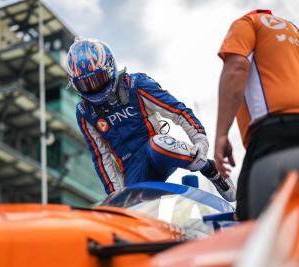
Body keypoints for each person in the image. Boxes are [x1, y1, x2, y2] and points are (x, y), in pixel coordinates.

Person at [66, 37, 236, 202]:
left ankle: (210, 169)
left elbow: (177, 111)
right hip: (132, 169)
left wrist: (200, 142)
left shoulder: (136, 84)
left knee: (159, 145)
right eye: (86, 84)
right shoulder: (84, 112)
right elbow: (101, 156)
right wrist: (117, 196)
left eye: (97, 79)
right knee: (131, 203)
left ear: (110, 68)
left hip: (158, 152)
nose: (94, 87)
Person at [215, 9, 299, 220]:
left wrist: (221, 134)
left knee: (249, 217)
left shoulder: (248, 23)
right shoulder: (295, 32)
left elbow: (237, 68)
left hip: (275, 132)